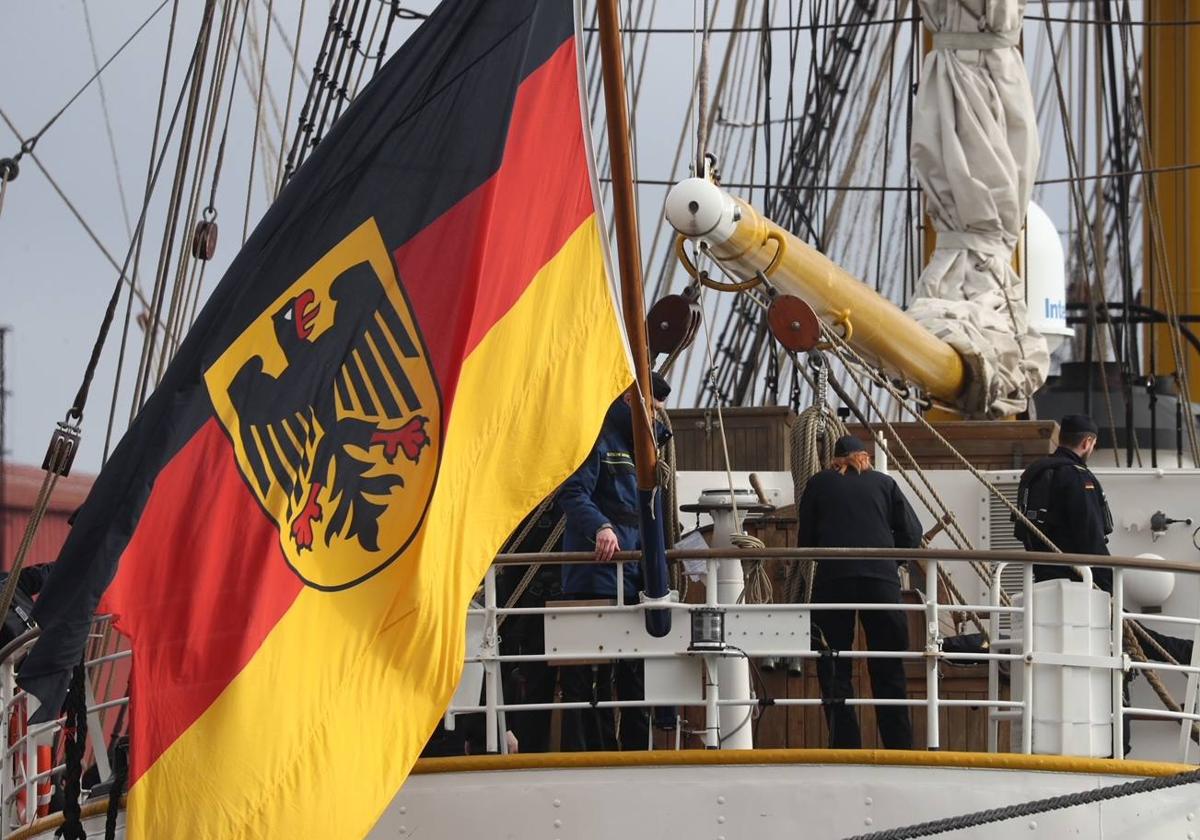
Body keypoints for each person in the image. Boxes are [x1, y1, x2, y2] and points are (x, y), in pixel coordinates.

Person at [556, 373, 671, 751]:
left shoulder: (645, 450)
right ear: (628, 401)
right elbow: (573, 492)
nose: (655, 419)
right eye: (651, 409)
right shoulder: (599, 440)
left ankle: (636, 751)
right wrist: (601, 526)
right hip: (597, 576)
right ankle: (593, 752)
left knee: (633, 670)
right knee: (592, 676)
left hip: (634, 577)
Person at [796, 435, 922, 750]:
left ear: (835, 459)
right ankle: (899, 749)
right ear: (864, 456)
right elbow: (912, 532)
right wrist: (893, 562)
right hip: (880, 581)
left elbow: (806, 540)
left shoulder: (818, 483)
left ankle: (845, 746)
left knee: (834, 666)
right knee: (887, 665)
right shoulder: (884, 483)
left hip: (833, 580)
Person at [1014, 414, 1114, 591]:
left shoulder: (1034, 472)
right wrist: (1108, 585)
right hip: (1077, 584)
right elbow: (1090, 536)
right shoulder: (1077, 476)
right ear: (1087, 442)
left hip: (1042, 580)